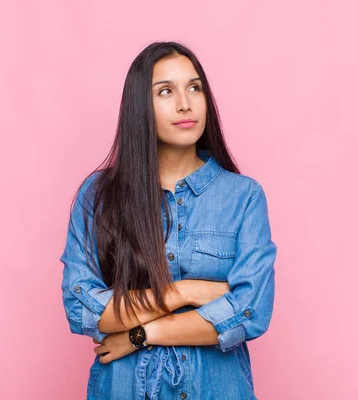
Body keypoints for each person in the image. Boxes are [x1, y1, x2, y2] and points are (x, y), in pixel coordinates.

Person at [60, 41, 277, 400]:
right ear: (139, 108)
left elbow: (250, 312)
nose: (185, 103)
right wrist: (186, 292)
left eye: (195, 87)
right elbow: (84, 309)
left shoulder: (244, 197)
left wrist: (140, 335)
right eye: (165, 91)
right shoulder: (99, 195)